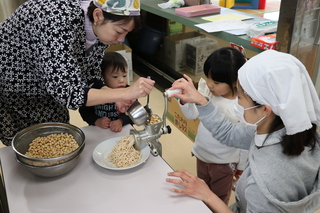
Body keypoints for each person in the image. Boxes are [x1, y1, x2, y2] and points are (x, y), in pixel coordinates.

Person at [166, 50, 320, 212]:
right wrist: (201, 101)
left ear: (265, 110)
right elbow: (228, 132)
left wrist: (208, 195)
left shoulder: (265, 182)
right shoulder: (286, 131)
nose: (237, 104)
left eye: (239, 97)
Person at [0, 0, 154, 146]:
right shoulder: (56, 19)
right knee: (25, 142)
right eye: (119, 31)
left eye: (126, 33)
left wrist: (112, 95)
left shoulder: (98, 28)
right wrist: (125, 93)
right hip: (14, 84)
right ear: (98, 15)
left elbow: (90, 75)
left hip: (48, 87)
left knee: (57, 135)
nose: (121, 39)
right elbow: (69, 93)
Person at [178, 47, 248, 205]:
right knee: (201, 194)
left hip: (224, 163)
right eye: (207, 78)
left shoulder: (241, 106)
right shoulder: (208, 93)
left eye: (216, 82)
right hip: (202, 155)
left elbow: (244, 140)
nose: (209, 84)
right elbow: (192, 114)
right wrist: (184, 100)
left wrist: (242, 166)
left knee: (218, 199)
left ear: (235, 82)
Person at [79, 51, 133, 132]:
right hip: (98, 131)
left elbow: (133, 113)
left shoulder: (128, 92)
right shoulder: (95, 91)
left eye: (124, 76)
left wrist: (121, 121)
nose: (122, 80)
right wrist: (96, 121)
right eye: (115, 77)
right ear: (102, 76)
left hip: (122, 131)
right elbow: (84, 111)